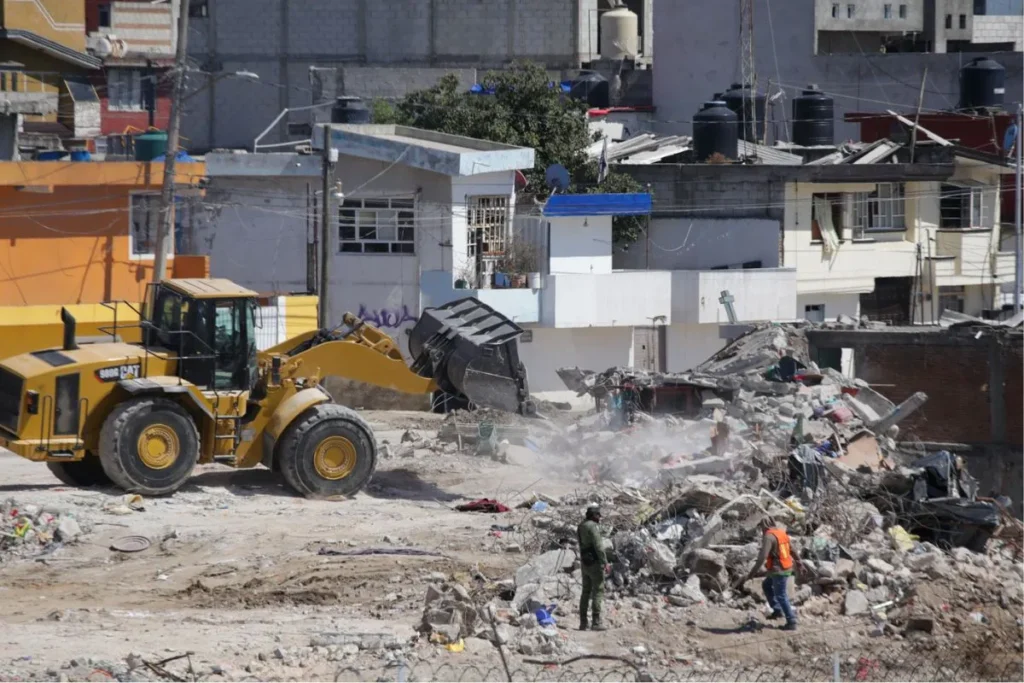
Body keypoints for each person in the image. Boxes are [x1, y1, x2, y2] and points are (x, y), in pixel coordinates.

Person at [742, 516, 798, 631]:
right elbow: (792, 549)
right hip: (786, 567)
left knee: (781, 595)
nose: (761, 530)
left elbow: (762, 557)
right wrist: (800, 562)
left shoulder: (768, 536)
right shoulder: (781, 533)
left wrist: (752, 573)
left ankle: (791, 621)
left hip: (779, 570)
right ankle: (777, 610)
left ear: (764, 526)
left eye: (761, 527)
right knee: (766, 585)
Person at [577, 504, 608, 631]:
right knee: (598, 591)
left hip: (585, 562)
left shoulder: (581, 526)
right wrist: (605, 562)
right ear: (594, 516)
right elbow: (599, 546)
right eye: (598, 515)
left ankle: (583, 622)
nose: (599, 518)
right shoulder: (593, 527)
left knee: (585, 592)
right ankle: (596, 622)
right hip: (595, 562)